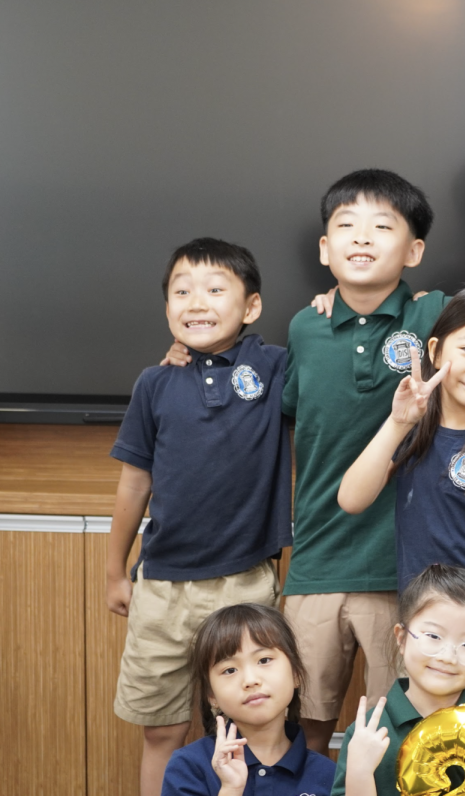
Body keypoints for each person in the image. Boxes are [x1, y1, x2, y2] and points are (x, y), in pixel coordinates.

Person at [164, 170, 465, 751]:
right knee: (300, 719)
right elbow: (311, 445)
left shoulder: (432, 311)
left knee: (405, 728)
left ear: (414, 251)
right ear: (324, 248)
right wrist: (190, 353)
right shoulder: (306, 327)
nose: (363, 239)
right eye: (347, 227)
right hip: (316, 559)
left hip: (399, 582)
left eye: (382, 227)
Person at [106, 238, 290, 796]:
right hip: (160, 584)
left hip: (243, 582)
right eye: (181, 291)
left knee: (248, 725)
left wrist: (331, 305)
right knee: (162, 729)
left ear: (251, 307)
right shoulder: (155, 382)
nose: (196, 302)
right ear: (167, 307)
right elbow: (135, 480)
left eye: (215, 289)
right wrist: (116, 569)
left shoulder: (276, 365)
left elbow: (334, 358)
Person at [339, 285, 465, 704]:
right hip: (422, 631)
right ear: (435, 349)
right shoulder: (412, 428)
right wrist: (398, 422)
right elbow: (352, 499)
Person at [334, 564, 465, 796]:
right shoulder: (368, 733)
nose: (447, 657)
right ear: (402, 638)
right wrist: (360, 774)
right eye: (433, 636)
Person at [162, 604, 335, 795]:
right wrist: (230, 789)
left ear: (295, 673)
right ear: (211, 695)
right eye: (229, 670)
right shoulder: (189, 767)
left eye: (264, 660)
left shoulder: (328, 775)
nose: (250, 680)